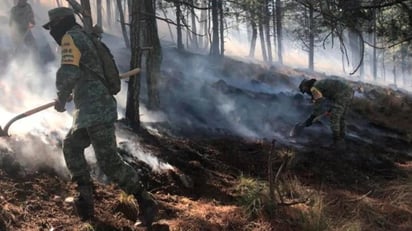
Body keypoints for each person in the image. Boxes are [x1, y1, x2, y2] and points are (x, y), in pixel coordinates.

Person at [42, 7, 158, 225]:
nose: (52, 33)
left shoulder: (70, 38)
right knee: (71, 146)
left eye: (52, 28)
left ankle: (145, 202)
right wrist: (71, 93)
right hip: (89, 109)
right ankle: (85, 199)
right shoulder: (85, 37)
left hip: (95, 110)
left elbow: (69, 71)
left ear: (60, 24)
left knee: (109, 161)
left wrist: (61, 96)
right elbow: (86, 72)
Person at [298, 78, 354, 148]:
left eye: (305, 91)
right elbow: (330, 95)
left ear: (306, 87)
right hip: (348, 91)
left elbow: (319, 103)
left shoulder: (314, 88)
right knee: (342, 117)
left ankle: (337, 141)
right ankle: (341, 138)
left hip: (342, 93)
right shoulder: (318, 85)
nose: (307, 93)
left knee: (335, 117)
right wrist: (331, 108)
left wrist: (312, 117)